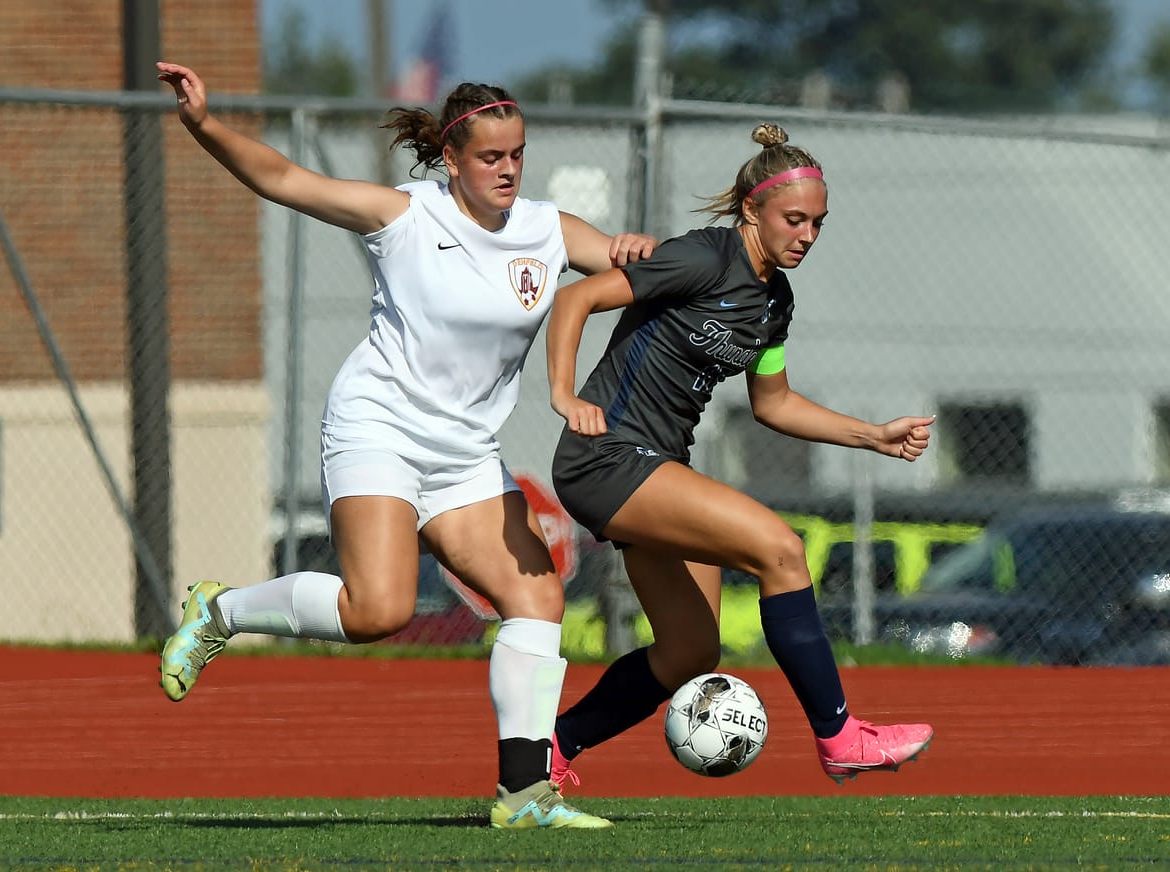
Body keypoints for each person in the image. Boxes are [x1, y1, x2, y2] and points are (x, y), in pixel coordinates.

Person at [153, 61, 656, 830]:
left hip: (463, 455)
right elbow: (284, 178)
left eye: (517, 153)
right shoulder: (406, 215)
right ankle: (220, 612)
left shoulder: (546, 230)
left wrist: (637, 249)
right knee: (378, 610)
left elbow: (634, 269)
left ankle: (524, 796)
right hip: (377, 427)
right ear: (451, 160)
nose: (508, 168)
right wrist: (204, 124)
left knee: (536, 596)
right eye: (491, 157)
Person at [543, 123, 935, 789]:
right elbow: (577, 296)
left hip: (654, 465)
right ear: (752, 211)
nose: (807, 235)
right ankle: (841, 737)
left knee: (691, 651)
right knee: (780, 549)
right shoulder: (704, 257)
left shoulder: (774, 303)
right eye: (793, 219)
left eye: (817, 222)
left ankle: (550, 747)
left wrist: (872, 435)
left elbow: (774, 403)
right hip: (605, 458)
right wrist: (561, 393)